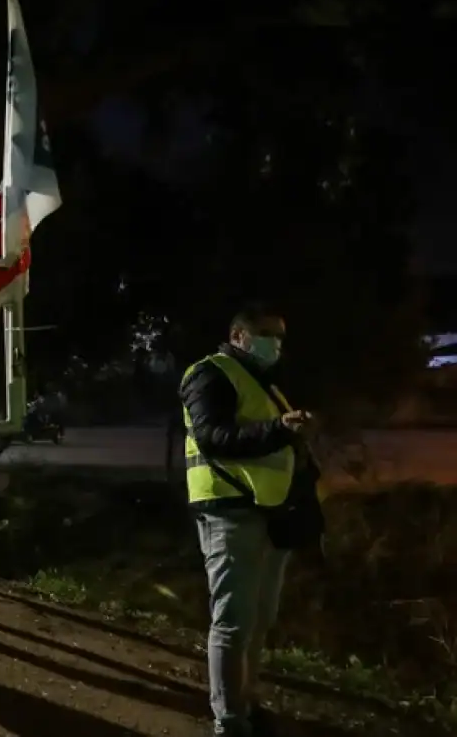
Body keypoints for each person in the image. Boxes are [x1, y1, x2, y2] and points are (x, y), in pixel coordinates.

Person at [180, 304, 325, 737]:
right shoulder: (210, 374)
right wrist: (279, 428)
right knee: (234, 621)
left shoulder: (263, 383)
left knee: (259, 619)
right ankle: (229, 721)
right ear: (238, 335)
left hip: (269, 512)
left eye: (280, 336)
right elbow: (213, 438)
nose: (275, 343)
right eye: (266, 334)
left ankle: (244, 703)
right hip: (229, 510)